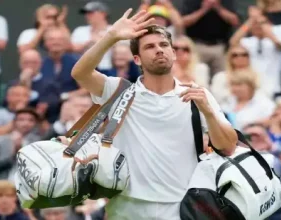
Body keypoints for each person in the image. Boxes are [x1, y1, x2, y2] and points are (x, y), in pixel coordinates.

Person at [68, 9, 237, 219]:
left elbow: (228, 146)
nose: (159, 50)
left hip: (182, 208)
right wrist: (111, 36)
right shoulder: (119, 91)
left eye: (164, 45)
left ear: (173, 53)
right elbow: (80, 73)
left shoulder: (197, 94)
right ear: (137, 59)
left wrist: (209, 113)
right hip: (126, 209)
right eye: (150, 46)